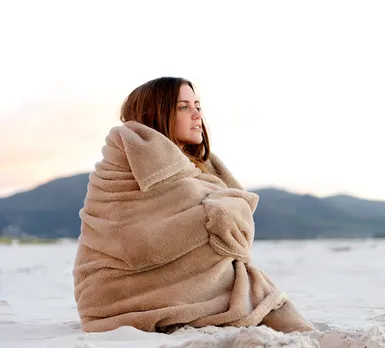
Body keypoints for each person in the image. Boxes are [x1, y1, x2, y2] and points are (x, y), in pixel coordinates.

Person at [73, 77, 314, 334]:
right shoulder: (122, 166)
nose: (198, 114)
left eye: (197, 105)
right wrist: (219, 213)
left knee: (259, 295)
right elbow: (135, 242)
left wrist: (225, 211)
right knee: (258, 298)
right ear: (155, 113)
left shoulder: (199, 168)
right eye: (183, 107)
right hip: (120, 293)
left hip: (180, 287)